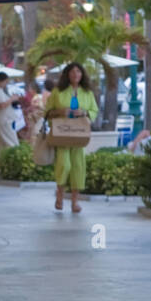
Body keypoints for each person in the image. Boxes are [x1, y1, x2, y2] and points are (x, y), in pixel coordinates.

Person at [45, 62, 98, 213]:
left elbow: (94, 111)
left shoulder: (87, 93)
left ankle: (75, 202)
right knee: (64, 165)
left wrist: (84, 113)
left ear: (82, 75)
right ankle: (59, 196)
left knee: (78, 167)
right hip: (62, 134)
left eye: (79, 72)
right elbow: (47, 112)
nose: (76, 75)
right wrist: (60, 111)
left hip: (79, 135)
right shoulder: (58, 92)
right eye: (73, 72)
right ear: (67, 74)